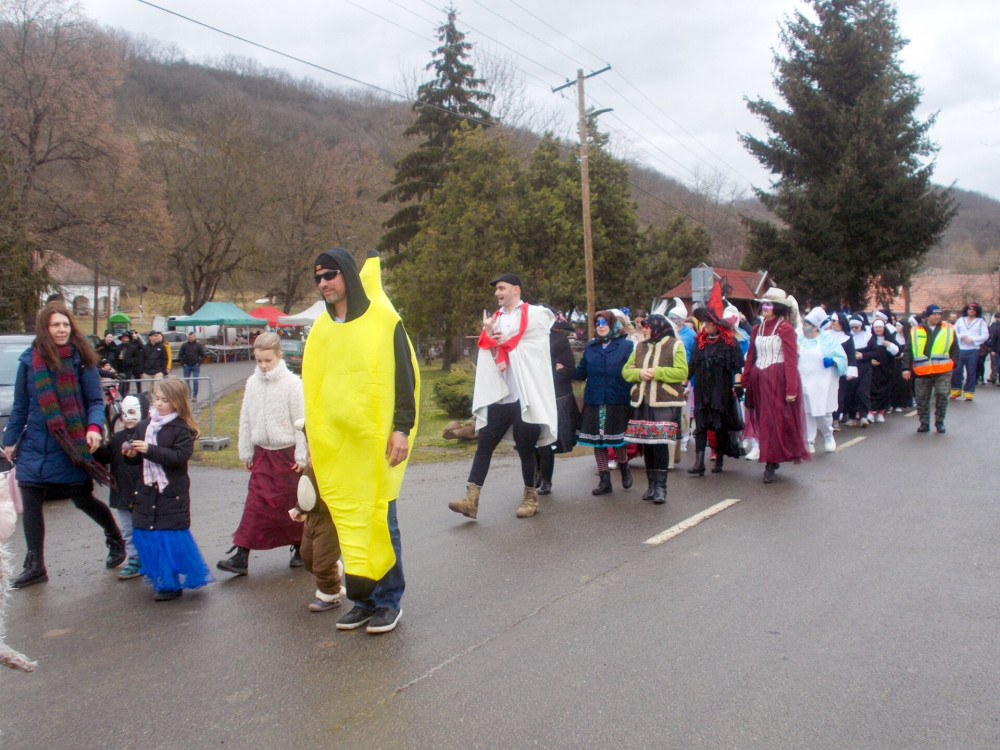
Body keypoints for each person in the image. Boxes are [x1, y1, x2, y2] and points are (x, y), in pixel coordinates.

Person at [302, 248, 418, 634]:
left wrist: (402, 427)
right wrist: (313, 442)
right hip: (340, 448)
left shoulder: (385, 321)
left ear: (347, 276)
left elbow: (406, 379)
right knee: (348, 520)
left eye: (330, 275)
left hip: (379, 443)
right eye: (318, 278)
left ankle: (389, 601)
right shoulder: (321, 329)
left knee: (381, 519)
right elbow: (314, 390)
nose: (324, 284)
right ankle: (362, 600)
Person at [2, 302, 125, 589]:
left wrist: (93, 428)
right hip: (34, 443)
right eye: (55, 325)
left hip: (71, 444)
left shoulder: (82, 360)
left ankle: (114, 536)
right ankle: (35, 564)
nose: (61, 330)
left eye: (65, 325)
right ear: (45, 328)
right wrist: (8, 442)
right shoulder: (28, 361)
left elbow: (95, 401)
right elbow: (21, 405)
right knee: (30, 499)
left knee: (82, 498)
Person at [449, 273, 556, 520]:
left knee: (525, 446)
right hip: (501, 394)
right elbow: (490, 349)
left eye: (502, 288)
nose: (497, 293)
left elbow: (536, 346)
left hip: (524, 393)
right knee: (485, 442)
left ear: (516, 289)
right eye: (496, 290)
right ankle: (471, 499)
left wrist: (508, 342)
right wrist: (489, 333)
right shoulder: (495, 318)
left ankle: (530, 497)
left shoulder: (535, 314)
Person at [217, 333, 306, 576]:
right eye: (259, 361)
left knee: (291, 505)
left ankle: (299, 548)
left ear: (279, 356)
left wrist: (301, 455)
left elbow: (301, 422)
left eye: (268, 360)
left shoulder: (293, 384)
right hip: (262, 454)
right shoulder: (252, 384)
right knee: (256, 504)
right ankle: (241, 555)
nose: (264, 366)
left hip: (287, 455)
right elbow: (246, 418)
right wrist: (246, 450)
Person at [124, 377, 214, 601]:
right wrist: (131, 455)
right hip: (146, 490)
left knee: (168, 537)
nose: (160, 403)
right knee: (148, 535)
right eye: (157, 398)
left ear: (177, 402)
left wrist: (149, 450)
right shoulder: (144, 426)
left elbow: (179, 458)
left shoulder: (182, 429)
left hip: (171, 493)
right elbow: (137, 460)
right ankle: (161, 579)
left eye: (165, 400)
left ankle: (171, 584)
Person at [742, 288, 810, 483]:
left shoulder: (785, 329)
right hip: (760, 378)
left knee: (775, 421)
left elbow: (791, 360)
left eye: (769, 304)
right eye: (764, 304)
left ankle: (771, 462)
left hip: (778, 379)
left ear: (778, 307)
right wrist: (745, 380)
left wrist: (791, 389)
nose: (765, 308)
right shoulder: (757, 328)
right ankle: (771, 457)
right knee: (764, 419)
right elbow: (751, 357)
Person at [622, 314, 688, 503]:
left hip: (664, 401)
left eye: (647, 325)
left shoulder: (675, 345)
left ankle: (661, 488)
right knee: (646, 444)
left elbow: (682, 372)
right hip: (642, 401)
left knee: (659, 444)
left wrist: (657, 372)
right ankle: (651, 485)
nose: (644, 329)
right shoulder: (640, 346)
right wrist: (639, 373)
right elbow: (626, 371)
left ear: (658, 326)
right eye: (643, 326)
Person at [574, 310, 635, 495]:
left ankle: (624, 467)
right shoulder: (591, 346)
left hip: (617, 399)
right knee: (598, 441)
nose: (600, 326)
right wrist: (563, 368)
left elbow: (631, 371)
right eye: (597, 322)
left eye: (604, 322)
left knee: (617, 439)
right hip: (594, 399)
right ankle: (604, 479)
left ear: (613, 324)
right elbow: (581, 371)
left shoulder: (626, 346)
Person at [288, 419, 345, 613]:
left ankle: (329, 594)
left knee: (321, 562)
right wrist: (299, 507)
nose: (309, 449)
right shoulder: (310, 465)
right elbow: (307, 488)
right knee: (307, 556)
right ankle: (332, 571)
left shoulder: (333, 464)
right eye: (308, 443)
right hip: (311, 518)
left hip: (328, 520)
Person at [688, 286, 744, 476]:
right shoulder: (699, 343)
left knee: (719, 425)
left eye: (708, 322)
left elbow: (737, 366)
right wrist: (683, 384)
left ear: (716, 324)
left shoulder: (729, 344)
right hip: (702, 389)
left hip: (721, 389)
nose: (705, 326)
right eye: (703, 322)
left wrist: (737, 384)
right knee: (701, 425)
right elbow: (692, 365)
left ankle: (719, 458)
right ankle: (699, 462)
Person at [93, 395, 147, 579]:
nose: (128, 417)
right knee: (128, 529)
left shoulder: (148, 435)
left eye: (132, 412)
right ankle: (134, 559)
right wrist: (96, 448)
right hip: (123, 492)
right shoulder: (117, 438)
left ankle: (149, 557)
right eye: (124, 413)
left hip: (144, 492)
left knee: (146, 527)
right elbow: (105, 455)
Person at [534, 316, 579, 495]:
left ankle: (546, 479)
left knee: (547, 439)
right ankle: (536, 473)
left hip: (553, 396)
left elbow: (568, 369)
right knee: (533, 439)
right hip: (532, 394)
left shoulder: (558, 339)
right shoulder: (528, 338)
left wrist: (545, 377)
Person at [798, 307, 847, 453]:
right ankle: (809, 441)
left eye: (807, 324)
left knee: (822, 413)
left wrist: (833, 361)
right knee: (807, 412)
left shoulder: (828, 340)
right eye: (804, 324)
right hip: (804, 380)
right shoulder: (800, 340)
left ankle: (828, 435)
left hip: (823, 383)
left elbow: (843, 358)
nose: (805, 327)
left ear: (815, 327)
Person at [904, 303, 958, 434]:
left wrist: (954, 363)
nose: (937, 316)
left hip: (943, 370)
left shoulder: (949, 329)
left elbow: (955, 348)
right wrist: (905, 368)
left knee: (942, 394)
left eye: (939, 314)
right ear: (927, 315)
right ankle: (924, 423)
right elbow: (908, 351)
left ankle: (940, 422)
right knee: (922, 398)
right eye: (934, 314)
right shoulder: (916, 330)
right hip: (922, 371)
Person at [950, 302, 988, 401]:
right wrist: (960, 337)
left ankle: (969, 393)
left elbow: (985, 335)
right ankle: (955, 391)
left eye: (974, 309)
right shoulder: (960, 320)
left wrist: (973, 339)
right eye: (970, 309)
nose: (971, 310)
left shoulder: (981, 322)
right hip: (960, 349)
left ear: (977, 311)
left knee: (971, 372)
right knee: (957, 370)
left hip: (973, 350)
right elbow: (954, 331)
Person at [177, 331, 207, 402]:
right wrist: (182, 363)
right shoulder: (184, 345)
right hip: (186, 365)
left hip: (195, 365)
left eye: (192, 337)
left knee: (195, 381)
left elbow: (203, 355)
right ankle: (188, 394)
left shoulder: (198, 345)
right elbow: (180, 355)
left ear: (194, 337)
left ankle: (194, 396)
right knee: (186, 381)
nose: (191, 338)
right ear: (188, 337)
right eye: (189, 337)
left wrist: (199, 363)